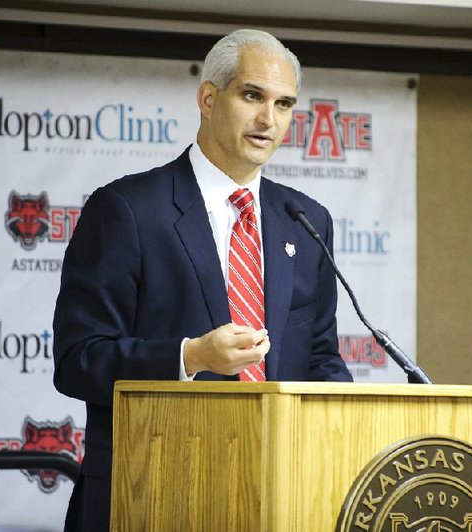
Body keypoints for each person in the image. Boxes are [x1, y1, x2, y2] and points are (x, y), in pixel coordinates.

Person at [52, 29, 353, 531]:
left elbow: (320, 358)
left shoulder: (305, 218)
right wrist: (190, 357)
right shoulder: (126, 210)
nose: (268, 120)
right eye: (252, 96)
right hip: (149, 493)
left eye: (284, 104)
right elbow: (78, 359)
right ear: (208, 98)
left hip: (277, 498)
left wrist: (350, 429)